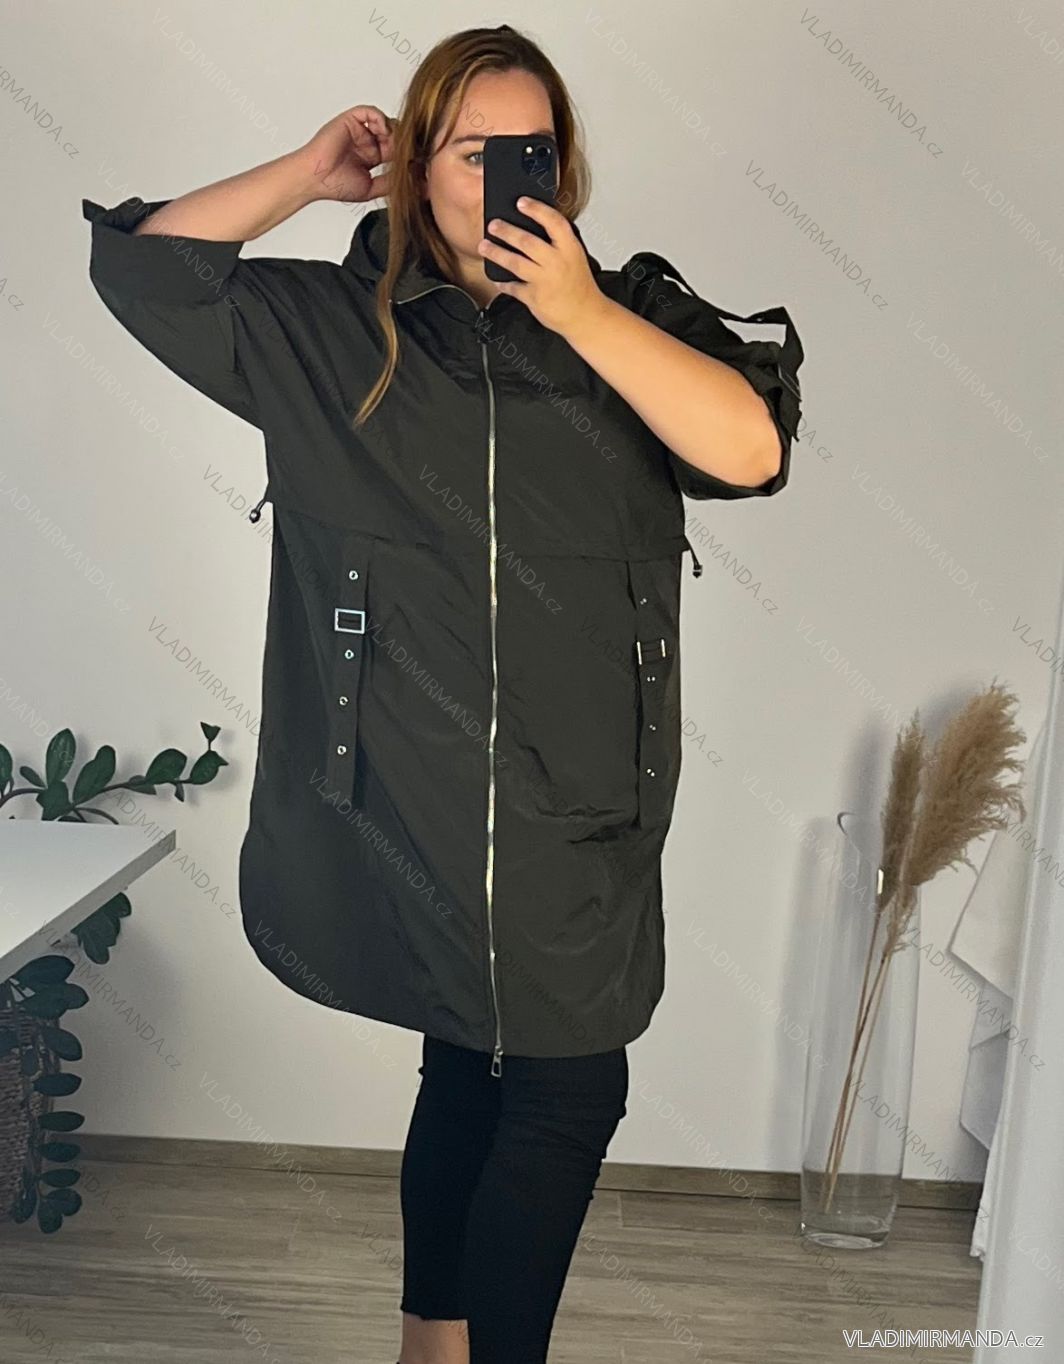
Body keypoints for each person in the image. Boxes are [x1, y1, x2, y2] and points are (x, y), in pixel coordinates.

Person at [81, 23, 803, 1364]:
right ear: (415, 165)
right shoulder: (331, 331)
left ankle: (437, 1347)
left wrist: (581, 314)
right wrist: (305, 175)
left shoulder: (630, 317)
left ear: (565, 166)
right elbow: (141, 270)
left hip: (577, 803)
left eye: (533, 150)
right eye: (472, 152)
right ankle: (446, 1345)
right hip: (404, 788)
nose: (506, 179)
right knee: (504, 1073)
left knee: (534, 1077)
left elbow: (751, 450)